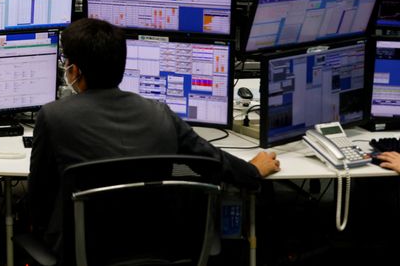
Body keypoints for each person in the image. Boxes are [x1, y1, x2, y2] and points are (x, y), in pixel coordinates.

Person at [28, 18, 281, 253]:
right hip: (155, 245)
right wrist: (252, 171)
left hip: (81, 248)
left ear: (76, 71)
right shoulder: (159, 113)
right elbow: (210, 159)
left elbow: (38, 196)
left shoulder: (53, 116)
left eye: (66, 61)